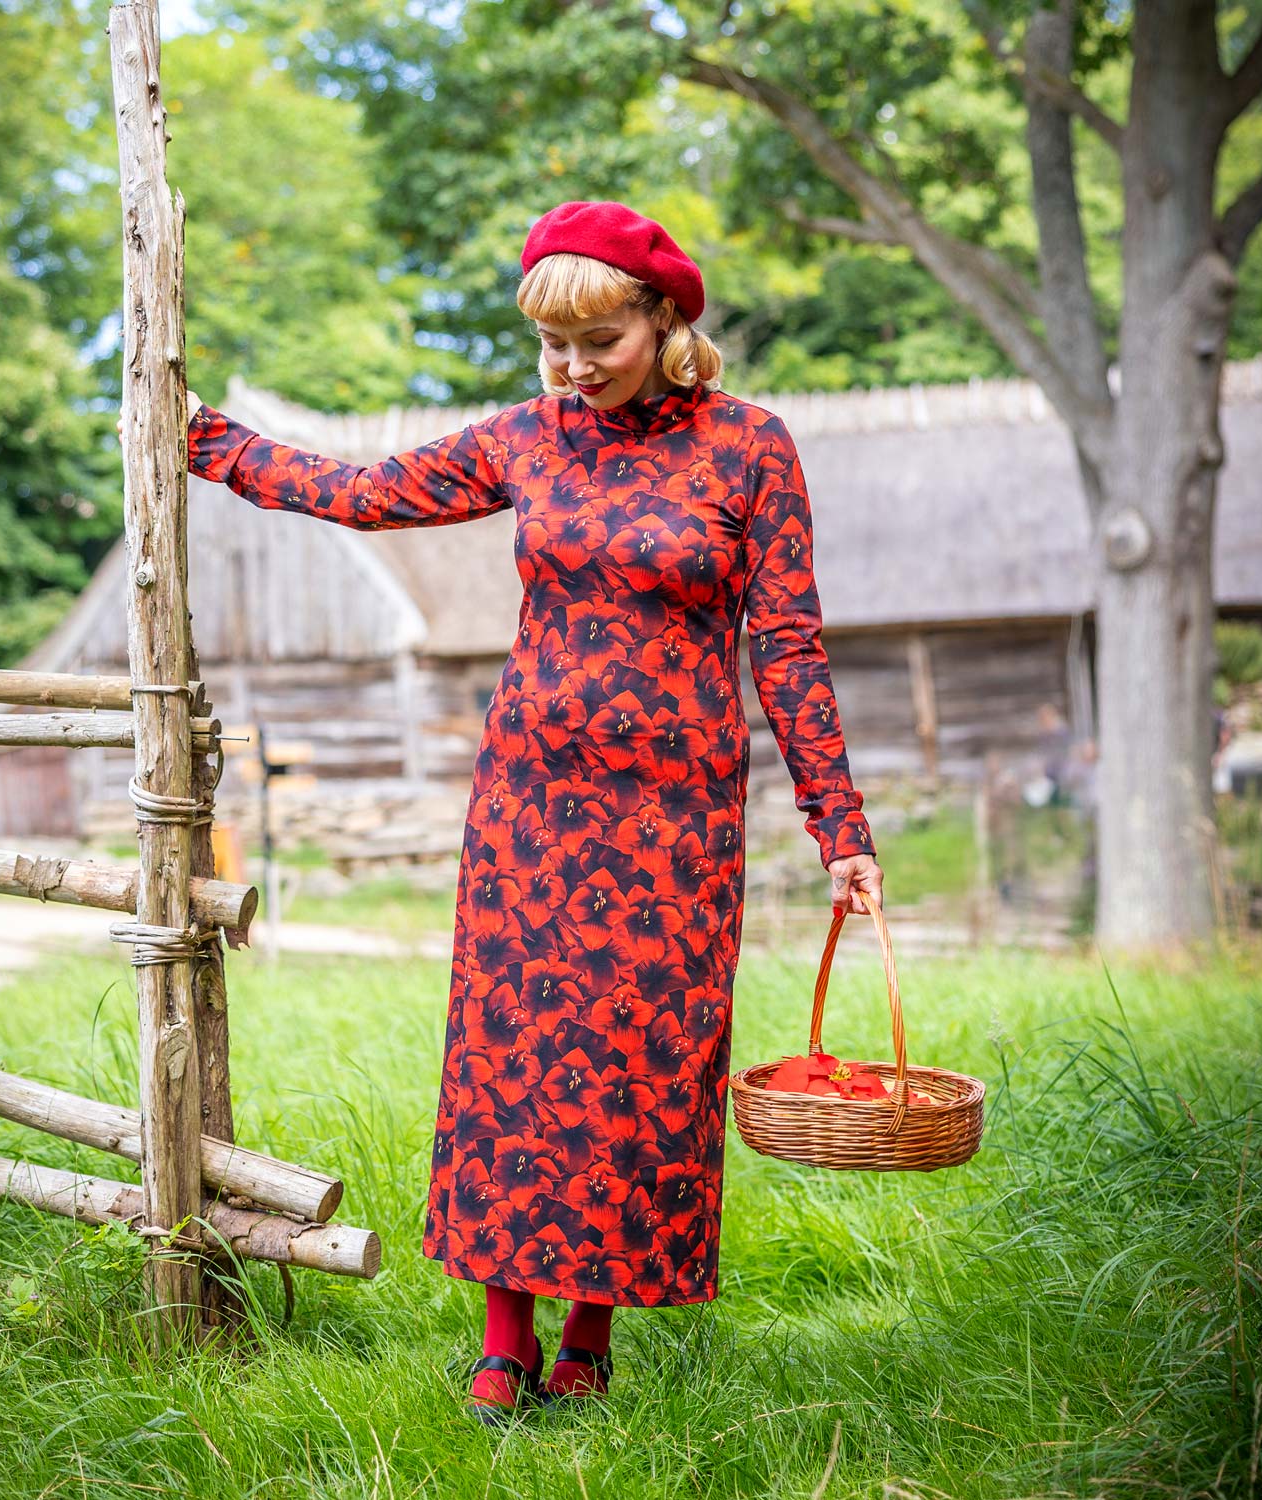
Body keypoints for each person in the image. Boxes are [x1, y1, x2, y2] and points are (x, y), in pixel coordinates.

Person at [169, 200, 883, 1423]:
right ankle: (503, 1341)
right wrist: (204, 440)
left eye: (597, 338)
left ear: (666, 320)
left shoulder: (752, 448)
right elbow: (361, 491)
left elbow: (790, 645)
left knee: (634, 1070)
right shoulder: (526, 439)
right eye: (553, 346)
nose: (572, 367)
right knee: (516, 1070)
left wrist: (840, 826)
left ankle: (590, 1336)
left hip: (678, 821)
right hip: (532, 813)